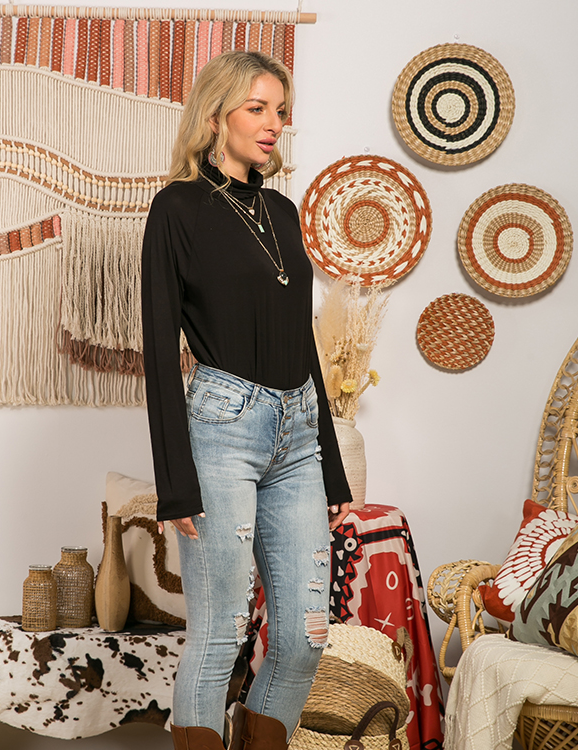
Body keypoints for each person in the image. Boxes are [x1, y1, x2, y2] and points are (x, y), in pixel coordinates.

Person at [141, 50, 352, 750]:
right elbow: (158, 351)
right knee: (222, 632)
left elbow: (301, 341)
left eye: (279, 111)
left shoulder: (282, 212)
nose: (272, 124)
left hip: (298, 431)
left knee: (304, 636)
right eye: (256, 108)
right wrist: (175, 483)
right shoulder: (176, 209)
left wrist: (331, 469)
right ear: (215, 117)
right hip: (222, 429)